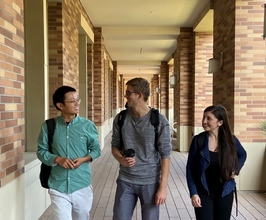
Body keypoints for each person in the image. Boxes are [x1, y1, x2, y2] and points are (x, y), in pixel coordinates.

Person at [37, 86, 101, 220]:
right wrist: (57, 159)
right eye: (72, 101)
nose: (77, 103)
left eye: (78, 100)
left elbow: (96, 150)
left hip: (81, 184)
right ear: (60, 105)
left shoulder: (87, 125)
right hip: (58, 185)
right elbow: (41, 151)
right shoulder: (48, 126)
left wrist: (84, 159)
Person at [111, 77, 172, 220]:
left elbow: (165, 155)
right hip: (125, 180)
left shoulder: (159, 121)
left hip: (150, 182)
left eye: (128, 92)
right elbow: (115, 146)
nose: (125, 96)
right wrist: (121, 159)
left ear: (139, 95)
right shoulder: (121, 118)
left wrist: (162, 187)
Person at [186, 105, 247, 220]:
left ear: (220, 122)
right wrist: (193, 193)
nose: (204, 121)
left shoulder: (231, 140)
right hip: (203, 193)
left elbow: (242, 154)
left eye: (209, 118)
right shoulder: (198, 140)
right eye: (204, 117)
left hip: (225, 192)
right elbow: (190, 169)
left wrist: (236, 168)